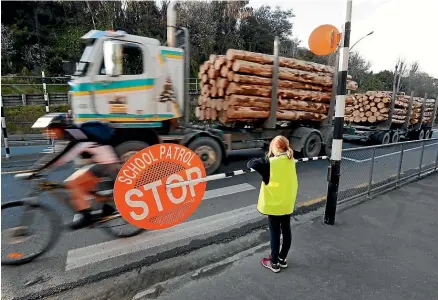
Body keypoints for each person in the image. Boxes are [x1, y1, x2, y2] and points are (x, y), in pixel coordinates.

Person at [32, 114, 121, 230]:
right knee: (83, 188)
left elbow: (64, 156)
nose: (48, 133)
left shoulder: (77, 134)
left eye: (50, 130)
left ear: (58, 127)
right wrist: (39, 167)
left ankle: (87, 217)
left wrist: (39, 169)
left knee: (72, 183)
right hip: (102, 162)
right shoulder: (71, 133)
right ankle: (107, 206)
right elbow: (58, 153)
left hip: (106, 164)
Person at [247, 135, 299, 273]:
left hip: (275, 205)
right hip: (287, 203)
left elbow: (251, 164)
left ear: (275, 147)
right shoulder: (291, 160)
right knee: (286, 230)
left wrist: (265, 158)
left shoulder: (270, 163)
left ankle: (274, 262)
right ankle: (282, 258)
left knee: (275, 233)